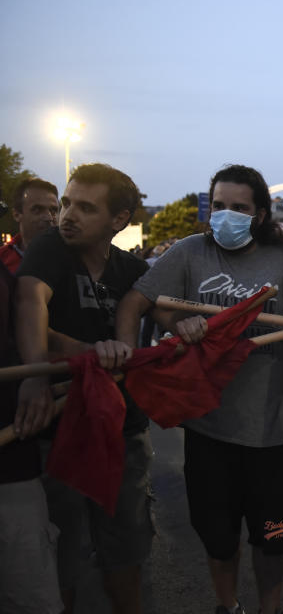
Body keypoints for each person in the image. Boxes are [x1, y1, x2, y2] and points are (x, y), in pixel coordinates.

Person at [111, 164, 283, 614]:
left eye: (239, 208)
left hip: (275, 432)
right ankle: (227, 606)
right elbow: (137, 302)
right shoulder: (189, 252)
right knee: (219, 540)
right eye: (218, 206)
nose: (226, 216)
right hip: (210, 429)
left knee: (273, 539)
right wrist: (160, 333)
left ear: (259, 214)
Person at [15, 163, 153, 614]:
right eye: (68, 203)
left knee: (125, 549)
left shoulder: (133, 268)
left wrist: (189, 327)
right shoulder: (50, 249)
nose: (67, 215)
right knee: (64, 551)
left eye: (85, 208)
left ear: (119, 221)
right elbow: (31, 300)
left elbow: (169, 317)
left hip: (121, 428)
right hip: (60, 427)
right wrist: (35, 376)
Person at [0, 259, 63, 614]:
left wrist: (98, 352)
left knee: (31, 598)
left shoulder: (6, 275)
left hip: (13, 471)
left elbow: (34, 333)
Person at [0, 177, 59, 273]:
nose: (49, 218)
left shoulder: (75, 259)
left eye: (53, 210)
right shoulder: (2, 260)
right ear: (17, 215)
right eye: (37, 210)